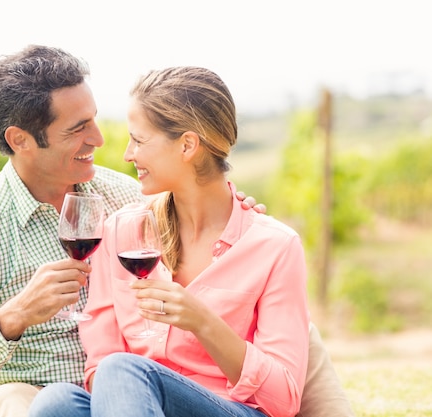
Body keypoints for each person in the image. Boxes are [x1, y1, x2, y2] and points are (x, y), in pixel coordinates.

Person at [0, 45, 264, 417]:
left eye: (93, 119)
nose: (98, 139)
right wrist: (13, 318)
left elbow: (211, 249)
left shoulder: (126, 197)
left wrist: (235, 215)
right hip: (45, 399)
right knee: (23, 406)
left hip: (133, 392)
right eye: (77, 128)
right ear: (21, 140)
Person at [27, 66, 329, 417]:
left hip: (230, 409)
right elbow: (100, 364)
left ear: (187, 145)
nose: (127, 154)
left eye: (139, 140)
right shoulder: (121, 232)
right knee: (56, 403)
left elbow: (283, 398)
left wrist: (202, 321)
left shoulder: (275, 247)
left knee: (122, 370)